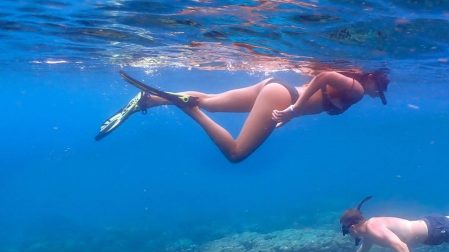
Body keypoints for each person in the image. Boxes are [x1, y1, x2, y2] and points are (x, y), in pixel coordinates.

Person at [96, 69, 389, 163]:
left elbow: (321, 78)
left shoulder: (353, 85)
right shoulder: (357, 88)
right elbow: (324, 75)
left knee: (210, 102)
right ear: (373, 80)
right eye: (381, 90)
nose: (378, 96)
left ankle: (149, 100)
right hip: (283, 98)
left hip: (276, 87)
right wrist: (294, 110)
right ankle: (189, 109)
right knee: (236, 153)